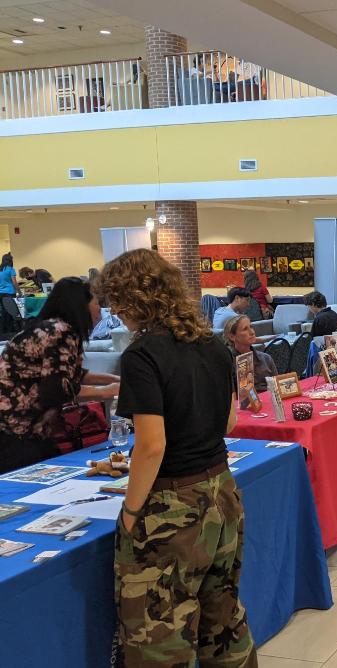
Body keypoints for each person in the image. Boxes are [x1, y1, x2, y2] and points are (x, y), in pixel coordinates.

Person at [96, 249, 257, 665]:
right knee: (222, 618)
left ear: (133, 299)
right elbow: (229, 423)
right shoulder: (214, 346)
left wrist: (130, 513)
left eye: (117, 302)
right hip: (222, 491)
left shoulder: (143, 354)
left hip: (172, 504)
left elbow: (151, 446)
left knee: (158, 635)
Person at [0, 277, 120, 473]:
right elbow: (58, 388)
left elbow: (70, 373)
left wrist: (114, 379)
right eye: (97, 303)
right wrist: (107, 392)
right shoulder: (61, 331)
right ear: (80, 304)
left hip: (21, 428)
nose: (100, 309)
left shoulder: (48, 327)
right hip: (16, 429)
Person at [223, 314, 277, 393]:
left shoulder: (266, 358)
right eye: (245, 329)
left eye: (251, 327)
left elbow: (277, 388)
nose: (252, 332)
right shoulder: (229, 364)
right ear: (232, 337)